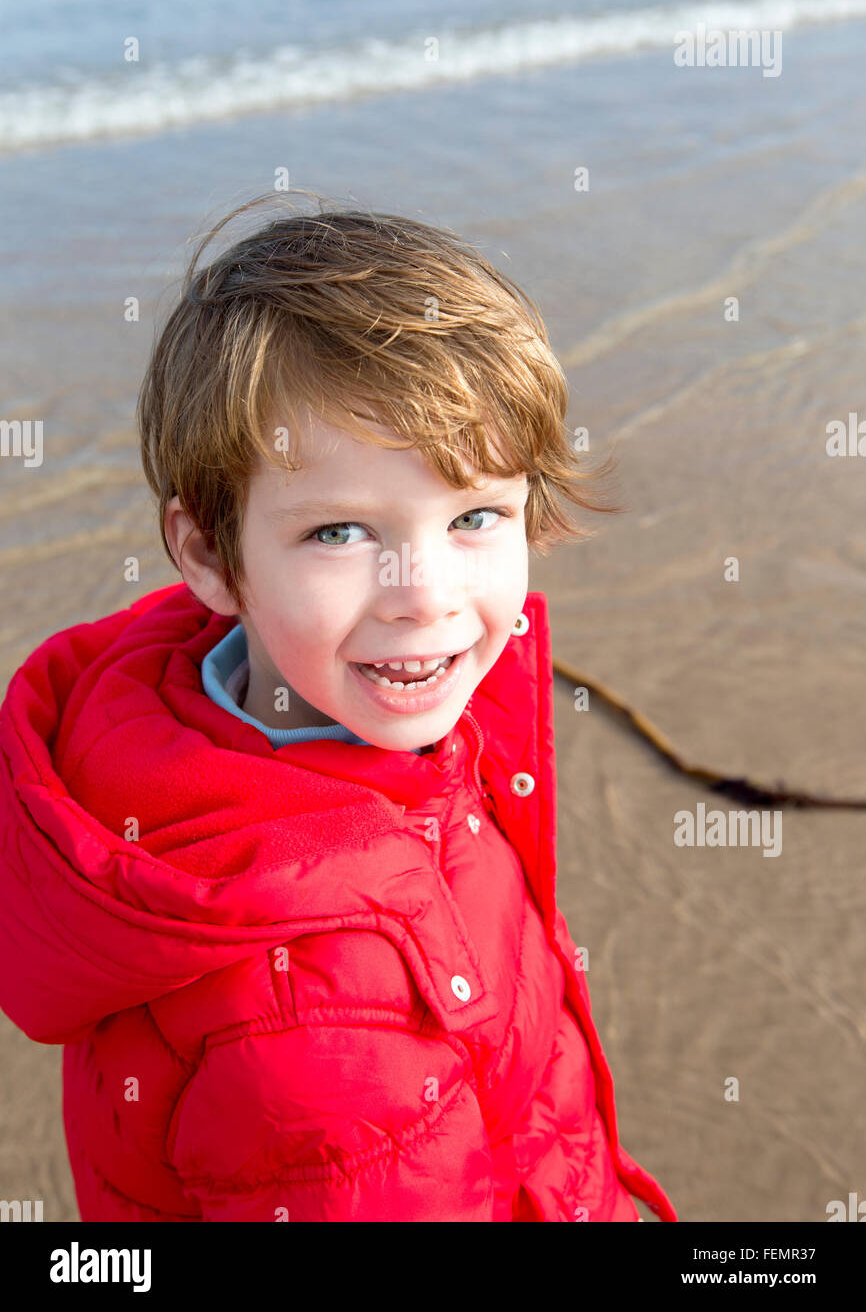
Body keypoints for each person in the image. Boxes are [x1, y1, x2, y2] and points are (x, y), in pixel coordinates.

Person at [0, 191, 677, 1222]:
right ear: (207, 554)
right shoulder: (315, 1037)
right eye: (339, 533)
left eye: (475, 515)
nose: (426, 593)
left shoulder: (265, 686)